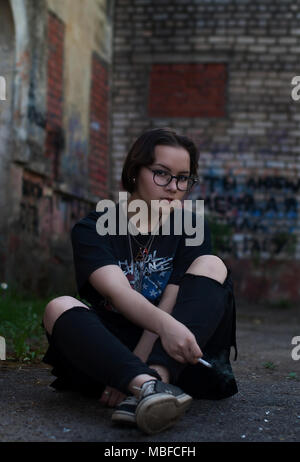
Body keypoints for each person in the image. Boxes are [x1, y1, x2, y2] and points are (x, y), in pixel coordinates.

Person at [42, 127, 238, 435]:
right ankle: (146, 388)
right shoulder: (94, 228)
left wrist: (146, 363)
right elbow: (119, 293)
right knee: (59, 306)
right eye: (162, 174)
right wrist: (129, 370)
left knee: (212, 265)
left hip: (175, 356)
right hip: (108, 356)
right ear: (134, 172)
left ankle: (155, 384)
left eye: (183, 177)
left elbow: (171, 302)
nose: (174, 187)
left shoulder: (190, 227)